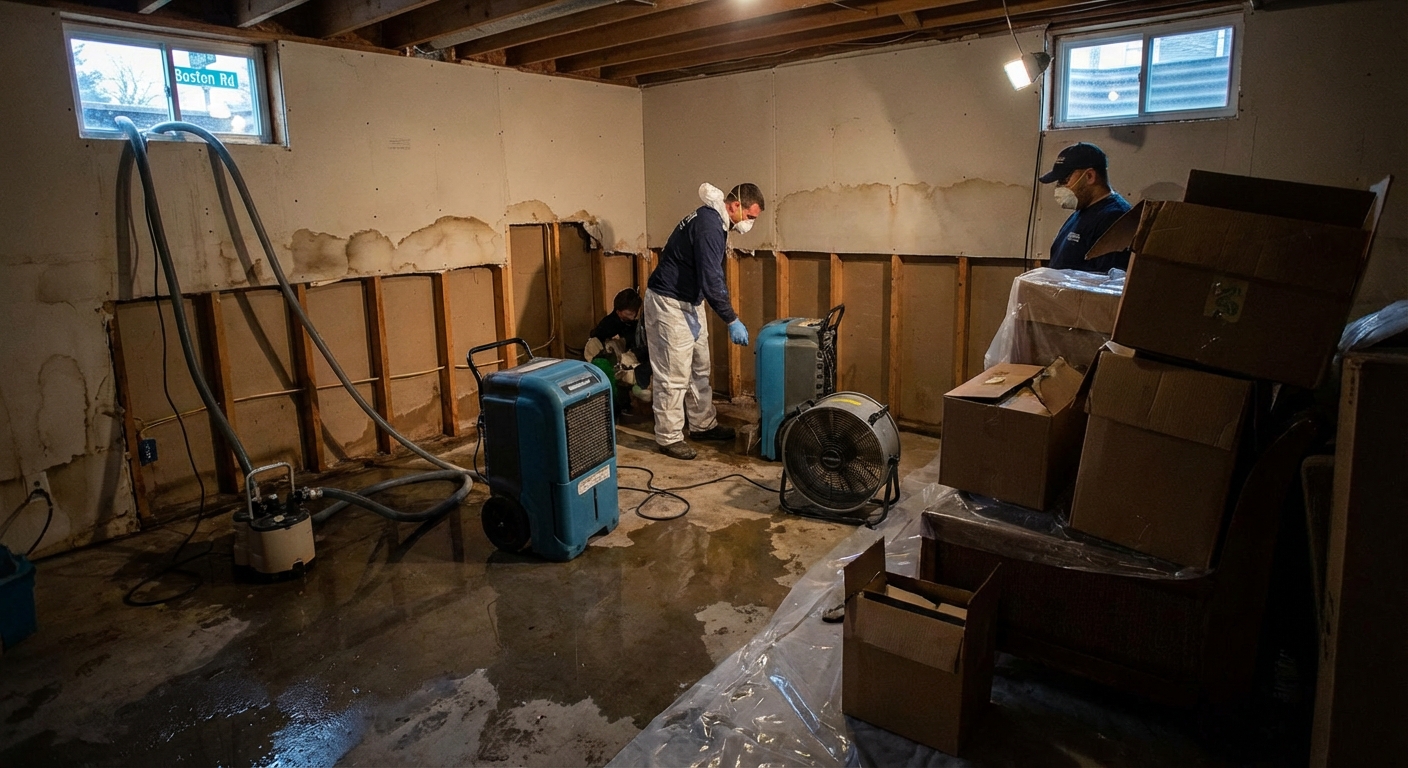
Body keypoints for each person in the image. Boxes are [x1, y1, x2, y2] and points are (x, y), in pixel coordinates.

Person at [644, 182, 764, 460]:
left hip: (690, 301)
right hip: (669, 302)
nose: (750, 224)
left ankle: (701, 424)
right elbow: (712, 280)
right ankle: (669, 436)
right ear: (735, 206)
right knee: (673, 374)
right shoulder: (710, 226)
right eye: (750, 217)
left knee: (699, 367)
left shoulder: (716, 221)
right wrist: (731, 319)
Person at [1038, 142, 1131, 273]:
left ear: (1089, 176)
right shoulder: (1082, 212)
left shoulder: (1115, 218)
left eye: (1065, 180)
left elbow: (1106, 283)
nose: (1059, 187)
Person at [584, 287, 651, 418]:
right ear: (618, 311)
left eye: (634, 312)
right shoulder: (608, 325)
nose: (632, 316)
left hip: (631, 354)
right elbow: (597, 338)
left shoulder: (632, 323)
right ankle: (621, 407)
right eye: (629, 313)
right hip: (613, 359)